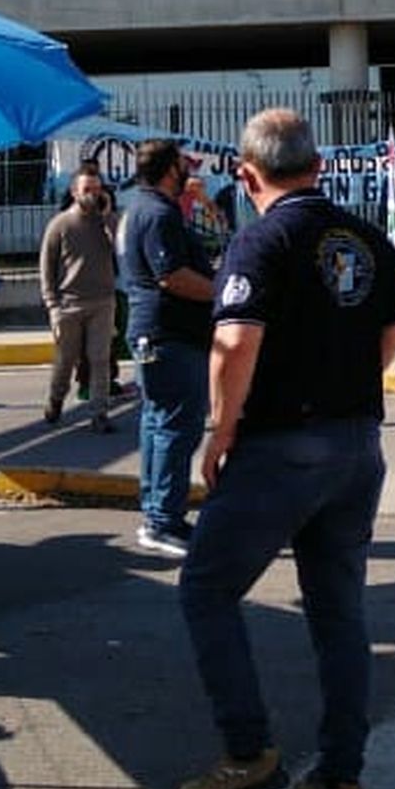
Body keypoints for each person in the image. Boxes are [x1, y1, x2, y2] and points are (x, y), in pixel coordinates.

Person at [175, 109, 395, 789]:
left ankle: (248, 751)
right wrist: (349, 383)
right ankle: (338, 774)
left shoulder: (259, 240)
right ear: (319, 166)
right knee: (339, 613)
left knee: (206, 589)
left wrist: (220, 431)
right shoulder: (368, 238)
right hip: (354, 443)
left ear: (247, 175)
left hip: (280, 446)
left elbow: (236, 344)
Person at [117, 139, 215, 558]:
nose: (189, 173)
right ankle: (163, 520)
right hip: (170, 334)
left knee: (159, 424)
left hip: (155, 333)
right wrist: (223, 292)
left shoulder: (139, 208)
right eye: (183, 166)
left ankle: (157, 515)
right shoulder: (156, 213)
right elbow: (172, 276)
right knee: (177, 427)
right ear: (169, 171)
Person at [39, 163, 119, 434]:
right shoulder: (60, 224)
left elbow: (120, 247)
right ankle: (55, 399)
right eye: (87, 189)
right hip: (68, 303)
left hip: (102, 300)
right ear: (74, 192)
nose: (92, 195)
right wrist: (52, 304)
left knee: (100, 358)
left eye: (97, 189)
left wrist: (107, 216)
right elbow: (46, 266)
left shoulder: (107, 220)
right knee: (65, 360)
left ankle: (99, 412)